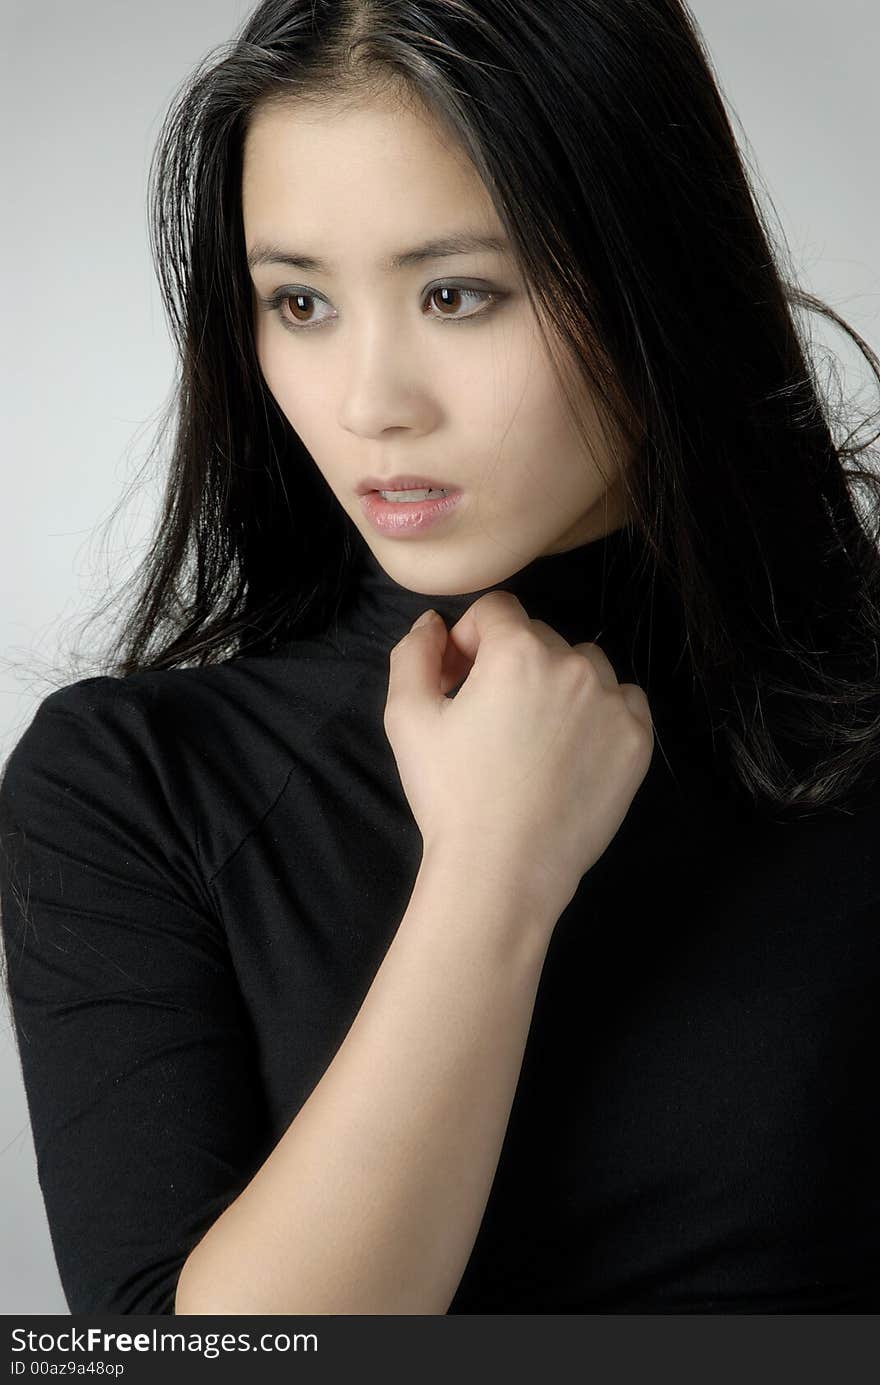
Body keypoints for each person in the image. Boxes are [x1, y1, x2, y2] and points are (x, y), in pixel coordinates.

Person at [2, 0, 879, 1316]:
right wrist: (490, 880)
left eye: (456, 293)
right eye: (298, 300)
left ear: (654, 265)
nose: (369, 402)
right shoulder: (129, 789)